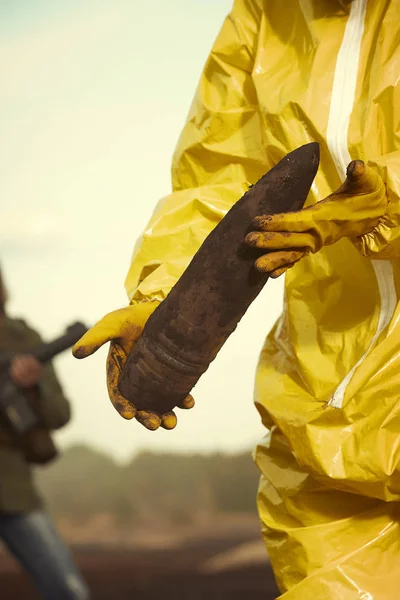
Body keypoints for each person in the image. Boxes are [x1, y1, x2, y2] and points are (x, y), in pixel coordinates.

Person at [73, 1, 400, 597]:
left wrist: (391, 201)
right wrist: (164, 301)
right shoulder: (264, 15)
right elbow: (220, 179)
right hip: (326, 425)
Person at [0, 267, 90, 600]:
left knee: (67, 590)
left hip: (12, 486)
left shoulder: (22, 340)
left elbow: (60, 414)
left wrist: (32, 388)